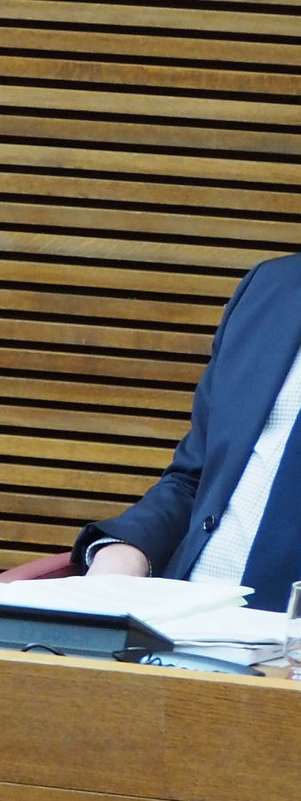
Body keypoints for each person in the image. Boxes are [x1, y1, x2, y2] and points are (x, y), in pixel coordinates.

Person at [75, 254, 301, 610]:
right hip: (179, 618)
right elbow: (194, 479)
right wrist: (125, 552)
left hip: (284, 642)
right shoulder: (272, 286)